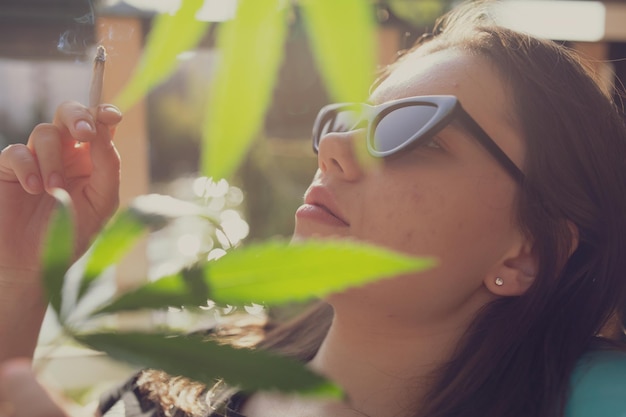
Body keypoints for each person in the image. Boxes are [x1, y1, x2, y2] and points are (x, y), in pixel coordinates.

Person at [1, 1, 626, 416]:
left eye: (415, 131)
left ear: (528, 253)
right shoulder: (177, 384)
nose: (331, 149)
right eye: (348, 122)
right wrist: (19, 276)